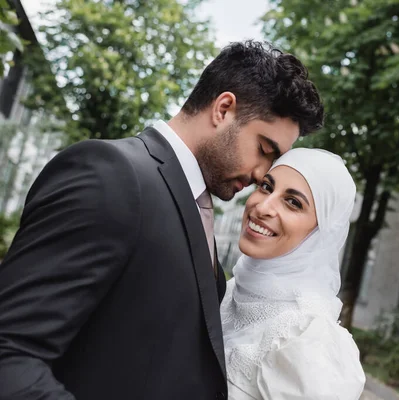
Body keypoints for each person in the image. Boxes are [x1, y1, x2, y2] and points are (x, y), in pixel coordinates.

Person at [0, 41, 323, 400]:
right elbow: (10, 353)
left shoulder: (195, 202)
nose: (262, 173)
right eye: (264, 149)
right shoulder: (112, 175)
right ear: (224, 109)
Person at [221, 147, 366, 399]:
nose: (263, 206)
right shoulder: (230, 291)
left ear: (319, 234)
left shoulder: (306, 337)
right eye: (266, 186)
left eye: (293, 202)